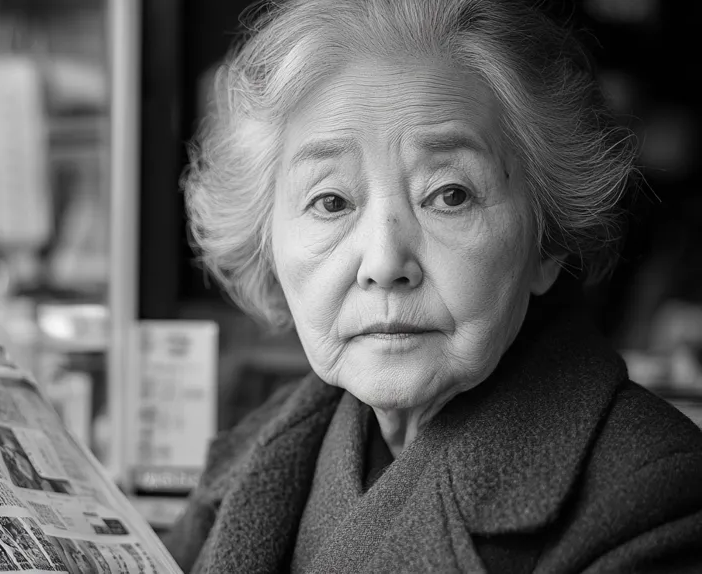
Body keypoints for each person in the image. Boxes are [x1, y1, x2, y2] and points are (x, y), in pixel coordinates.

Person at [160, 0, 702, 572]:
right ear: (268, 241)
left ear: (547, 241)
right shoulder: (257, 451)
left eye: (450, 195)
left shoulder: (651, 494)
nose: (385, 261)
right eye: (331, 201)